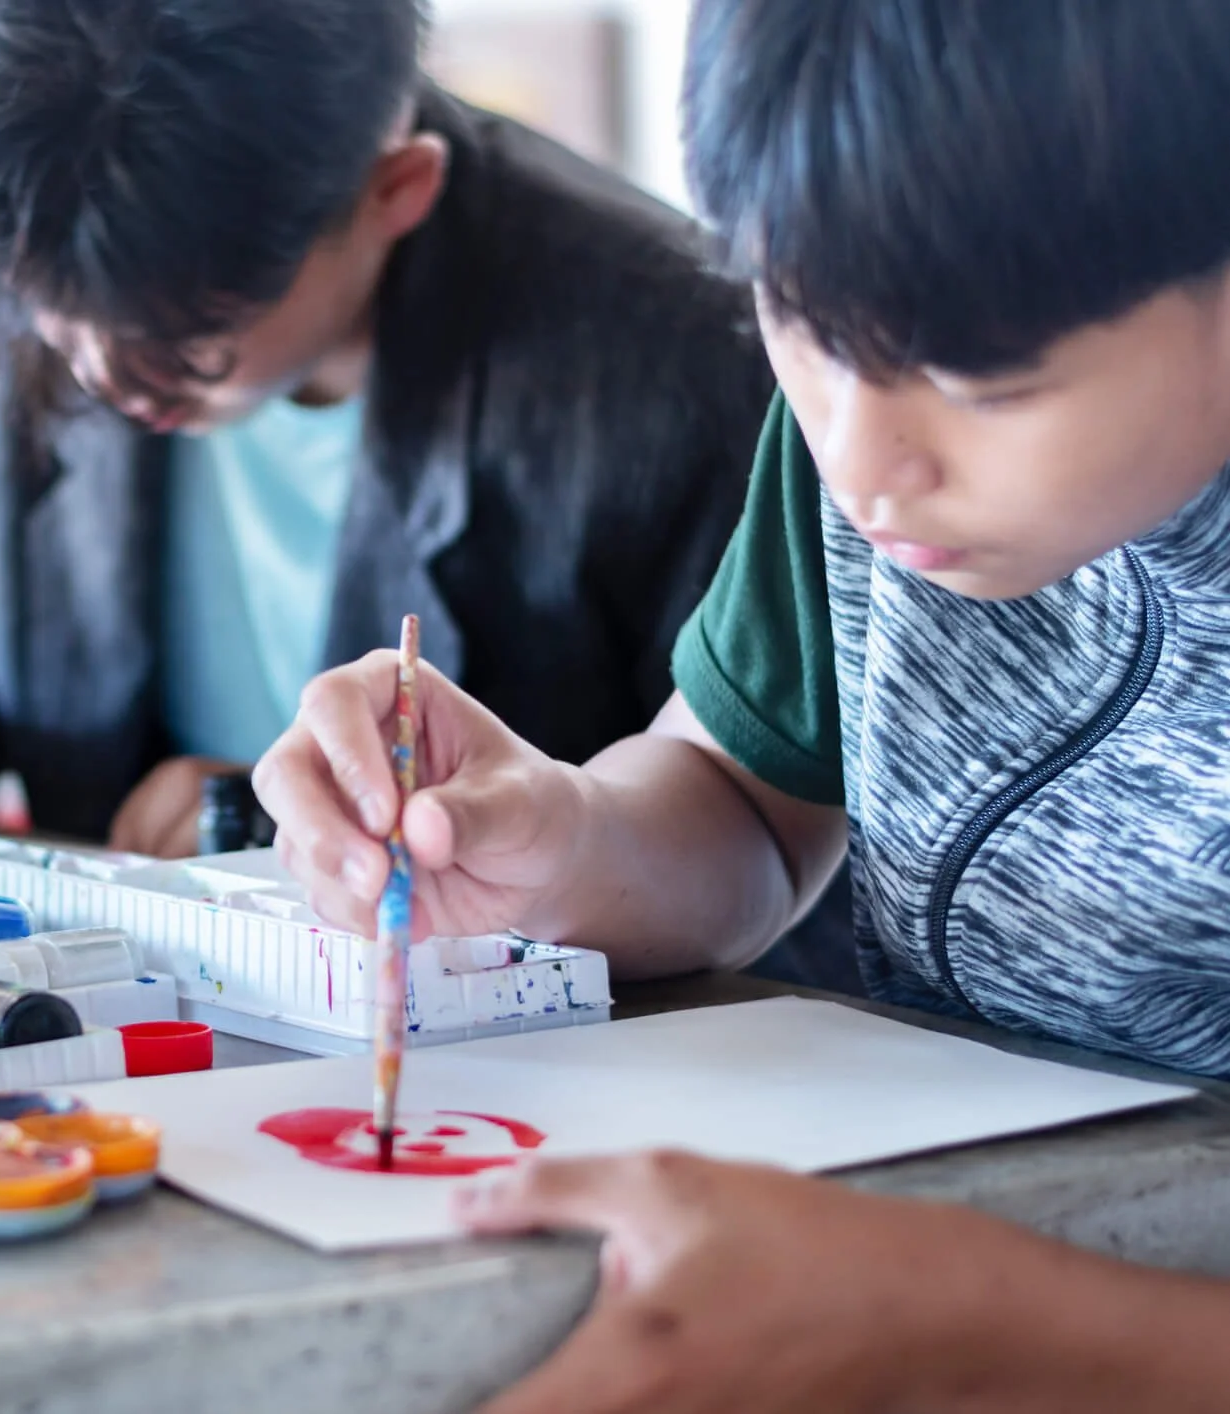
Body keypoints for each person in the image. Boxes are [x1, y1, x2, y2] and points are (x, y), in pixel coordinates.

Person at [256, 0, 1230, 1406]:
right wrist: (557, 833)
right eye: (798, 319)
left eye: (982, 381)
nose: (867, 464)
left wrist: (960, 1307)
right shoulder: (864, 407)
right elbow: (743, 808)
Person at [0, 0, 776, 875]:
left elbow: (747, 848)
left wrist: (260, 833)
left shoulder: (672, 362)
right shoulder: (34, 253)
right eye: (59, 324)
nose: (95, 370)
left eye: (186, 344)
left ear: (396, 190)